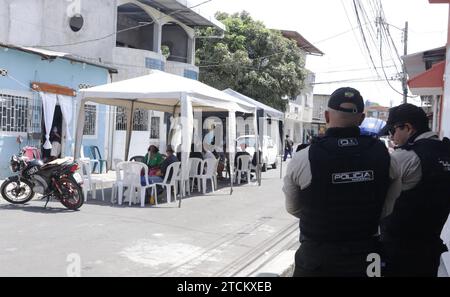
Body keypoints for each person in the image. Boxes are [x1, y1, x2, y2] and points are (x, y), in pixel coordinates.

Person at [283, 87, 391, 277]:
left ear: (326, 115)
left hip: (316, 258)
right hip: (367, 258)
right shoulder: (385, 155)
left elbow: (293, 207)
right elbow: (388, 207)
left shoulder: (303, 157)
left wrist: (323, 219)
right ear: (362, 118)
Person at [379, 103, 450, 277]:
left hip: (399, 251)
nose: (392, 137)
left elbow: (375, 193)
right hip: (430, 248)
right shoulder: (446, 151)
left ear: (408, 128)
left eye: (392, 131)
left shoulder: (405, 157)